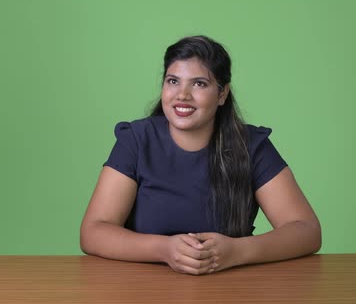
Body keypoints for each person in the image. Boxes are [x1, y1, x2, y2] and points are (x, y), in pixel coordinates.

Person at [80, 35, 321, 275]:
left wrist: (237, 251)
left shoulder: (252, 146)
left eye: (199, 84)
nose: (182, 95)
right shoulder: (135, 140)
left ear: (222, 94)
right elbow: (93, 232)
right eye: (173, 81)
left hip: (232, 289)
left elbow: (306, 230)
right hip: (143, 289)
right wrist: (164, 249)